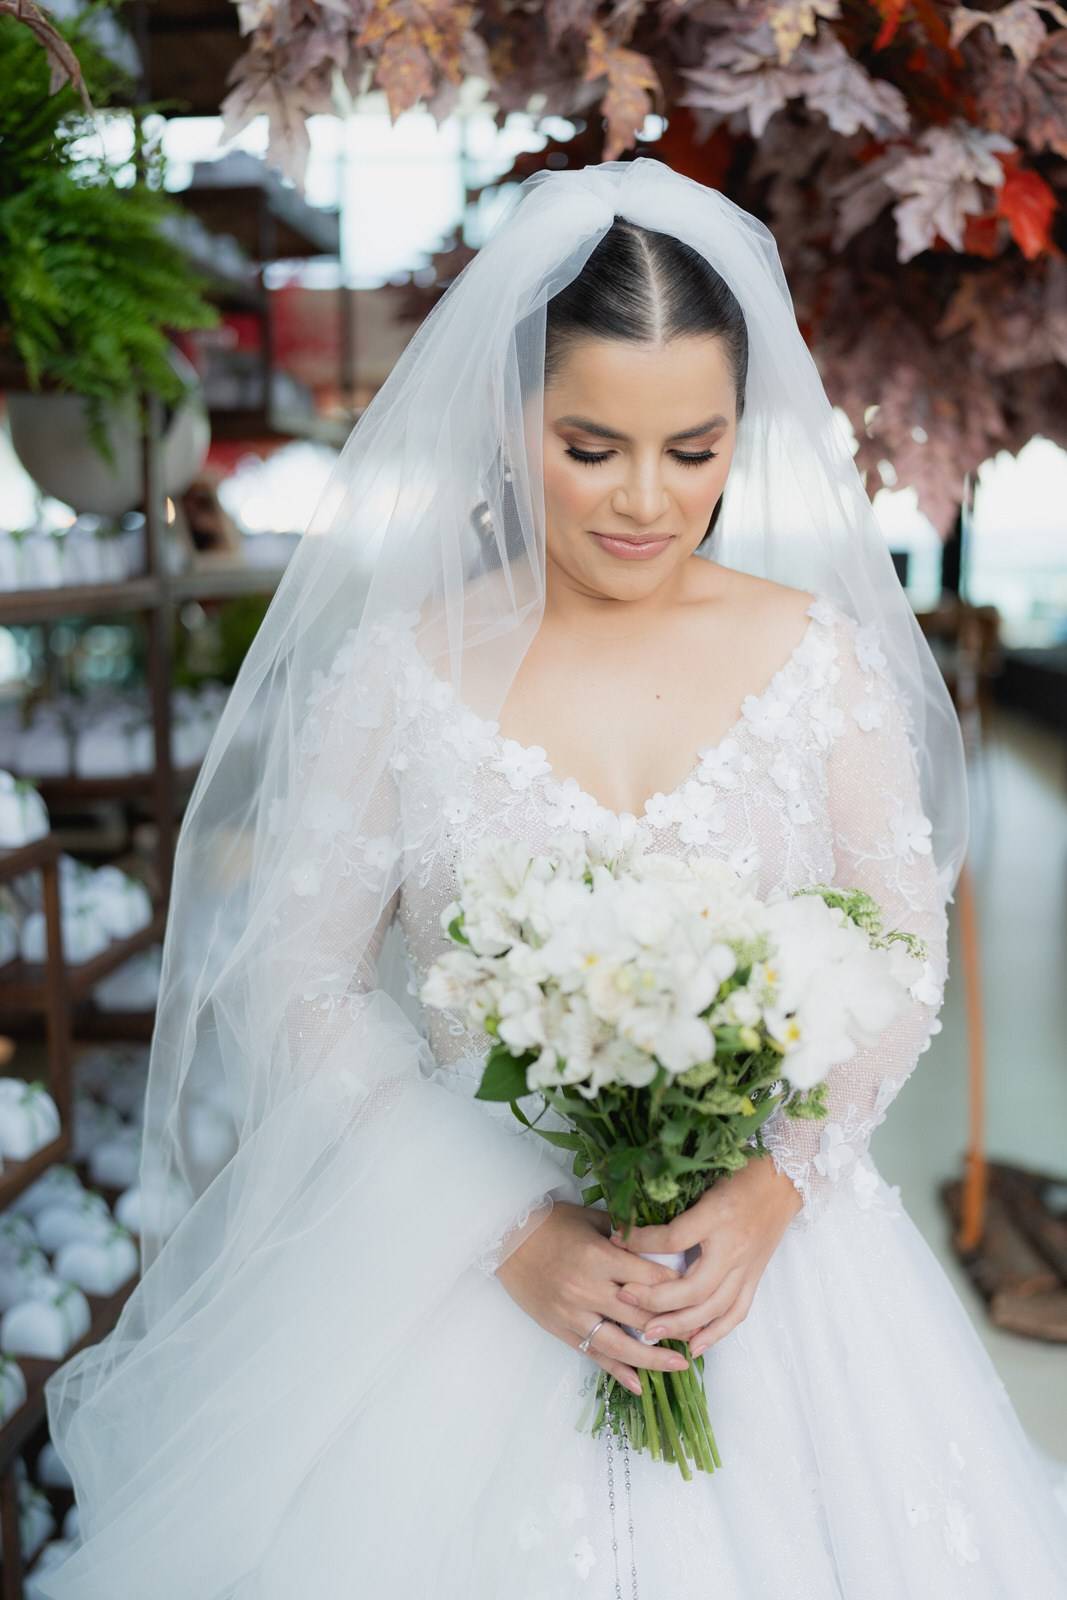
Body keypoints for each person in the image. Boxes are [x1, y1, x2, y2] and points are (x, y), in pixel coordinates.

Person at [36, 159, 1067, 1598]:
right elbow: (297, 980)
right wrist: (508, 1237)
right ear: (508, 424)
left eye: (695, 450)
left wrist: (779, 1184)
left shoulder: (815, 657)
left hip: (771, 1270)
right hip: (462, 1265)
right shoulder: (399, 674)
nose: (649, 501)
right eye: (592, 447)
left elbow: (896, 954)